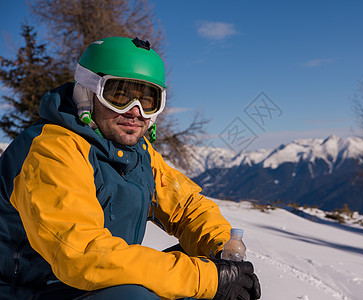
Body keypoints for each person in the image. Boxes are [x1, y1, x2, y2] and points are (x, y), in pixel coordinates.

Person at [0, 37, 261, 300]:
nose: (135, 112)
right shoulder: (51, 151)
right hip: (33, 290)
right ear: (87, 93)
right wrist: (206, 279)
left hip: (96, 284)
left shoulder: (139, 154)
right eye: (119, 96)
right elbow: (82, 254)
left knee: (197, 272)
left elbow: (187, 207)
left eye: (148, 101)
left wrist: (221, 249)